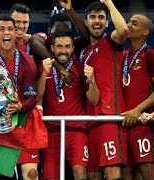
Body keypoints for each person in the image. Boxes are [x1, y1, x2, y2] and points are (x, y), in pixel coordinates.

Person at [0, 16, 46, 180]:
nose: (6, 33)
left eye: (10, 29)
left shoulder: (27, 62)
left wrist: (21, 107)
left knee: (31, 174)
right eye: (2, 29)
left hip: (22, 123)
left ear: (15, 34)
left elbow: (31, 97)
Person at [74, 0, 129, 179]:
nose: (97, 21)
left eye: (101, 18)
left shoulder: (111, 43)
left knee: (112, 171)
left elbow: (123, 31)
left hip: (109, 118)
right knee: (92, 174)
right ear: (86, 21)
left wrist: (109, 3)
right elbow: (92, 98)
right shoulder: (83, 52)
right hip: (90, 120)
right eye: (92, 17)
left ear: (107, 22)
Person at [36, 31, 95, 180]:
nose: (63, 51)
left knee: (80, 172)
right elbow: (37, 97)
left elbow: (93, 100)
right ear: (52, 48)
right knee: (50, 176)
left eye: (67, 46)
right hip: (51, 131)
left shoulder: (81, 69)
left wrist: (93, 81)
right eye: (59, 46)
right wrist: (43, 75)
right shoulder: (43, 67)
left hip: (76, 131)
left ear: (73, 48)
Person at [120, 13, 154, 180]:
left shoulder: (150, 55)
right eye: (129, 21)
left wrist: (138, 110)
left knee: (147, 172)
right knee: (126, 173)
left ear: (145, 32)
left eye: (134, 23)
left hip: (142, 123)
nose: (128, 25)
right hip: (123, 123)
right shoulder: (122, 55)